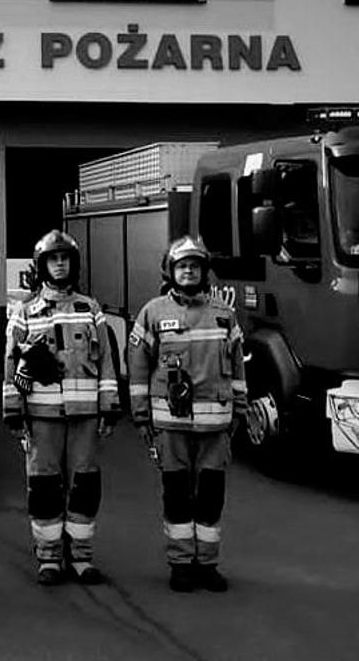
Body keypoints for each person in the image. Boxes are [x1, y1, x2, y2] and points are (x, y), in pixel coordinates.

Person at [127, 235, 248, 593]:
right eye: (182, 266)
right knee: (177, 495)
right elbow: (137, 370)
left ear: (204, 271)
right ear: (170, 271)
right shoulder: (153, 313)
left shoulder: (224, 315)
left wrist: (239, 411)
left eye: (195, 266)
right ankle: (180, 563)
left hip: (216, 426)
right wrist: (141, 416)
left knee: (211, 497)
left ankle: (207, 564)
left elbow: (239, 368)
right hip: (170, 425)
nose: (189, 271)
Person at [4, 230, 122, 587]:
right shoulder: (25, 312)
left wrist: (110, 407)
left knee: (85, 486)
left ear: (74, 264)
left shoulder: (91, 309)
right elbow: (11, 366)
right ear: (41, 266)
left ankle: (81, 556)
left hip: (85, 418)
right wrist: (13, 410)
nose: (59, 264)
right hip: (42, 420)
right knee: (44, 487)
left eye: (65, 258)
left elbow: (106, 363)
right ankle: (50, 556)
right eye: (53, 259)